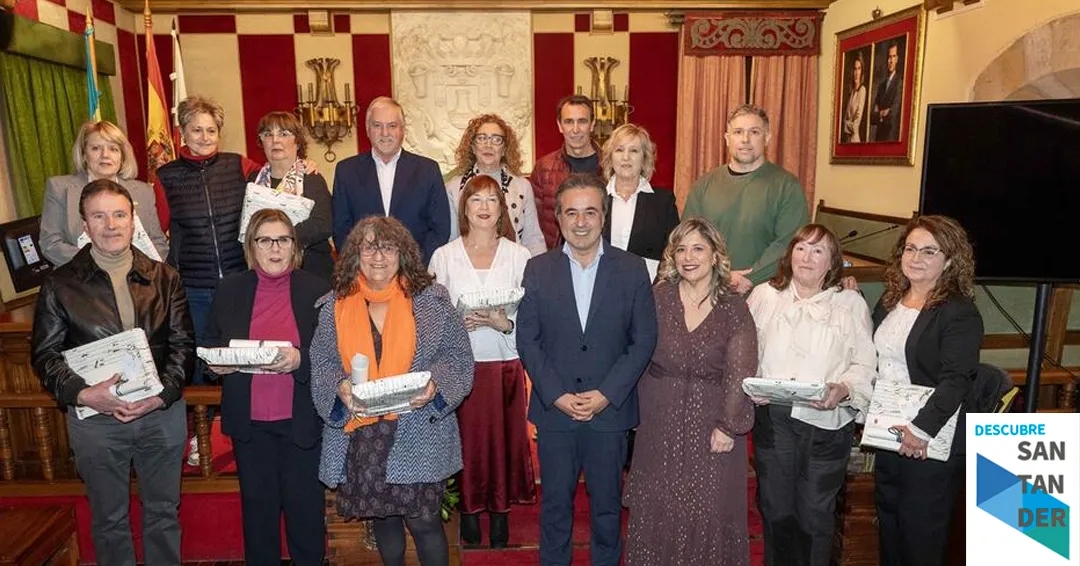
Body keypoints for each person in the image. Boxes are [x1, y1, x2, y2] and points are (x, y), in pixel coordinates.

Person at [30, 179, 192, 566]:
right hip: (96, 422)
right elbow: (45, 356)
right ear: (84, 224)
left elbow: (184, 346)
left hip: (160, 415)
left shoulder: (165, 277)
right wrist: (84, 394)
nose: (111, 224)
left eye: (119, 214)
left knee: (163, 515)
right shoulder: (59, 284)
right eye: (99, 216)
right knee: (109, 520)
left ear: (133, 219)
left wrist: (160, 396)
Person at [312, 216, 473, 566]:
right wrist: (338, 386)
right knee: (383, 518)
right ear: (356, 253)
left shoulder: (432, 299)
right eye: (370, 247)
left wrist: (436, 387)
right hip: (365, 431)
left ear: (404, 253)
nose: (379, 256)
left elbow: (458, 355)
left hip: (417, 426)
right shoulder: (334, 305)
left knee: (425, 521)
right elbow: (322, 363)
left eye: (388, 247)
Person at [517, 173, 657, 566]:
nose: (581, 222)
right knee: (555, 510)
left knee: (608, 512)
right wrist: (557, 395)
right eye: (572, 213)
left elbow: (643, 340)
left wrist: (606, 394)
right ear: (558, 219)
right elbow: (528, 340)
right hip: (554, 412)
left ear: (603, 216)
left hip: (608, 414)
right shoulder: (537, 270)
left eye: (590, 212)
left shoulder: (631, 270)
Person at [624, 218, 757, 566]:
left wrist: (728, 425)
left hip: (714, 420)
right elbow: (635, 352)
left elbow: (741, 369)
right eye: (680, 249)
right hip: (658, 416)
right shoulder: (657, 297)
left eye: (698, 248)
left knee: (708, 507)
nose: (688, 257)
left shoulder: (734, 307)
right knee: (659, 503)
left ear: (715, 255)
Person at [746, 224, 877, 566]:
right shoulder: (763, 296)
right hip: (773, 418)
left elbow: (864, 362)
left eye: (818, 250)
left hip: (826, 424)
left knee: (815, 516)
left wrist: (844, 388)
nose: (807, 256)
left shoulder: (849, 303)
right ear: (789, 254)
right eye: (802, 247)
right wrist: (752, 385)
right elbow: (744, 354)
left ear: (833, 261)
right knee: (775, 511)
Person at [204, 209, 330, 566]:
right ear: (252, 247)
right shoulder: (231, 289)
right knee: (258, 521)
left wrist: (299, 360)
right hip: (250, 427)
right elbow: (212, 340)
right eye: (265, 240)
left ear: (295, 247)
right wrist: (215, 363)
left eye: (283, 240)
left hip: (301, 424)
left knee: (306, 518)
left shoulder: (318, 290)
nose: (275, 248)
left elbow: (334, 355)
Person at [155, 95, 264, 465]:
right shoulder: (165, 177)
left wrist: (304, 164)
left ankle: (242, 432)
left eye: (211, 130)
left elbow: (278, 183)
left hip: (239, 281)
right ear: (182, 132)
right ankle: (202, 440)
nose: (203, 136)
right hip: (195, 287)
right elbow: (156, 233)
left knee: (243, 358)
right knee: (203, 363)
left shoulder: (239, 166)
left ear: (220, 132)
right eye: (196, 130)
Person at [429, 175, 537, 548]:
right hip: (462, 367)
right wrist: (457, 321)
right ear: (464, 208)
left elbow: (532, 316)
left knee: (505, 442)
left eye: (493, 199)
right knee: (468, 443)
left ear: (502, 208)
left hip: (505, 363)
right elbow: (431, 317)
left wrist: (501, 321)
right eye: (476, 200)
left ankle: (502, 514)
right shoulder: (444, 256)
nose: (485, 207)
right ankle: (471, 514)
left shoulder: (519, 255)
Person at [871, 215, 983, 566]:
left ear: (950, 260)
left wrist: (920, 431)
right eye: (911, 248)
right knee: (890, 527)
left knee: (921, 538)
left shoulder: (958, 312)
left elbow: (957, 379)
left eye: (929, 251)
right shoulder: (891, 301)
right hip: (888, 432)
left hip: (930, 440)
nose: (916, 258)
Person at [683, 104, 809, 294]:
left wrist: (749, 279)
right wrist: (718, 276)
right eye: (738, 132)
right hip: (708, 290)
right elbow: (688, 240)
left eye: (754, 132)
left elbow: (788, 243)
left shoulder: (787, 186)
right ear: (727, 139)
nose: (745, 139)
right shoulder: (703, 186)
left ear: (767, 138)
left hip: (766, 292)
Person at [332, 96, 450, 263]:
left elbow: (440, 228)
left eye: (392, 126)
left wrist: (414, 265)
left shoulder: (427, 170)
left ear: (403, 130)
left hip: (415, 272)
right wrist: (362, 265)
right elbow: (341, 229)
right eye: (377, 126)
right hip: (364, 274)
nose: (385, 133)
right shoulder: (346, 171)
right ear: (367, 129)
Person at [40, 120, 168, 266]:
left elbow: (158, 242)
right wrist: (102, 266)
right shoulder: (59, 188)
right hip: (82, 278)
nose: (105, 155)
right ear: (84, 154)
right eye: (96, 148)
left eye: (113, 149)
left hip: (138, 277)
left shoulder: (144, 191)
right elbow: (50, 243)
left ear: (122, 156)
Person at [249, 111, 334, 280]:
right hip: (264, 275)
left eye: (283, 134)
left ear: (297, 141)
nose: (275, 140)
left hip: (311, 272)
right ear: (262, 141)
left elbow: (323, 224)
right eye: (268, 134)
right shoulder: (253, 181)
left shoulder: (311, 178)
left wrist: (276, 239)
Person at [445, 113, 546, 256]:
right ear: (472, 147)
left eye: (496, 140)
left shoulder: (522, 187)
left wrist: (535, 274)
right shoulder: (454, 188)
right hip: (467, 266)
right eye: (481, 138)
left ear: (505, 149)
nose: (488, 145)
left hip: (514, 267)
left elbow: (533, 239)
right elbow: (452, 239)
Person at [599, 123, 679, 282]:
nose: (626, 157)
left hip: (649, 292)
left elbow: (673, 252)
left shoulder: (663, 202)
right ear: (610, 157)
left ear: (644, 158)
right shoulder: (595, 199)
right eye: (619, 150)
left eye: (634, 151)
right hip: (600, 291)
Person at [530, 94, 601, 249]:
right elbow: (535, 223)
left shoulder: (609, 165)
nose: (575, 130)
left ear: (592, 124)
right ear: (560, 125)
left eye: (582, 121)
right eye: (569, 122)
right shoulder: (543, 168)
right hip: (558, 256)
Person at [871, 42, 904, 142]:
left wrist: (879, 113)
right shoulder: (881, 86)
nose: (891, 61)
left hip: (890, 139)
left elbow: (892, 115)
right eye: (889, 57)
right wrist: (883, 113)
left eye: (893, 56)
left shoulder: (899, 83)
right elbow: (872, 117)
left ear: (897, 59)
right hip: (878, 139)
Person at [842, 53, 868, 144]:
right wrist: (847, 123)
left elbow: (855, 126)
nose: (856, 73)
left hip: (854, 141)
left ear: (862, 71)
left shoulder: (862, 90)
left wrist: (846, 124)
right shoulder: (851, 91)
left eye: (859, 69)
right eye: (855, 69)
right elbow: (843, 119)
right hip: (847, 141)